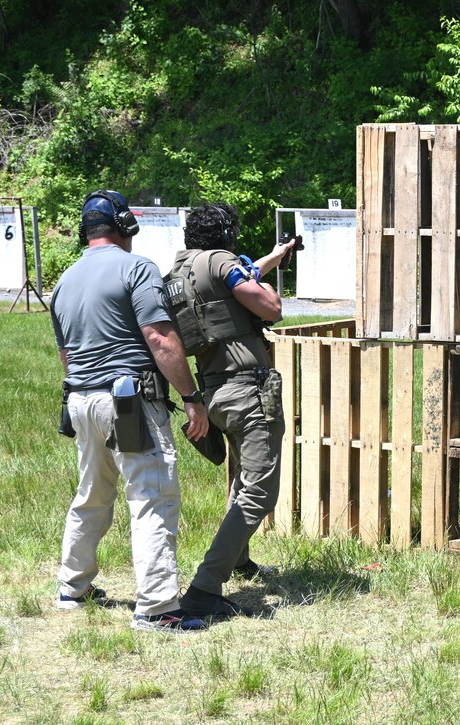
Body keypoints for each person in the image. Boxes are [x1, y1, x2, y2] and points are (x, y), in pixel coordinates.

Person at [51, 189, 211, 634]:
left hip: (81, 399)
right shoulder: (136, 268)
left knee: (92, 492)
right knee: (152, 494)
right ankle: (158, 607)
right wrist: (192, 396)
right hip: (128, 402)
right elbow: (159, 338)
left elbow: (67, 356)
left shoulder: (64, 281)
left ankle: (72, 587)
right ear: (125, 226)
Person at [170, 202, 297, 619]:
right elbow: (269, 308)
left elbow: (228, 291)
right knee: (259, 490)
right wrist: (262, 282)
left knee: (243, 477)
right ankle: (206, 585)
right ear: (225, 236)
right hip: (248, 391)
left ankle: (239, 559)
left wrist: (270, 260)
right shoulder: (223, 261)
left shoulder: (181, 271)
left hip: (214, 392)